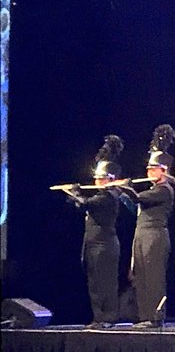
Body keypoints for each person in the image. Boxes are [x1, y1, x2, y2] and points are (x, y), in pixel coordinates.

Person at [64, 135, 125, 328]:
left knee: (106, 283)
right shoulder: (101, 195)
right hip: (92, 245)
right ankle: (98, 317)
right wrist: (73, 198)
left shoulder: (109, 196)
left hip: (104, 246)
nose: (97, 181)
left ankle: (108, 318)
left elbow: (85, 204)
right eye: (96, 178)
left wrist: (75, 194)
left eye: (101, 178)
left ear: (110, 179)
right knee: (94, 284)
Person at [127, 126, 175, 328]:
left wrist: (126, 188)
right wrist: (123, 194)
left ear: (163, 170)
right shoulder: (153, 189)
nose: (149, 172)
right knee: (141, 276)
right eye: (148, 169)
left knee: (154, 276)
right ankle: (144, 315)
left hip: (155, 235)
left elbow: (139, 197)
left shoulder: (164, 190)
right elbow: (135, 206)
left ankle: (155, 317)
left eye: (153, 169)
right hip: (142, 234)